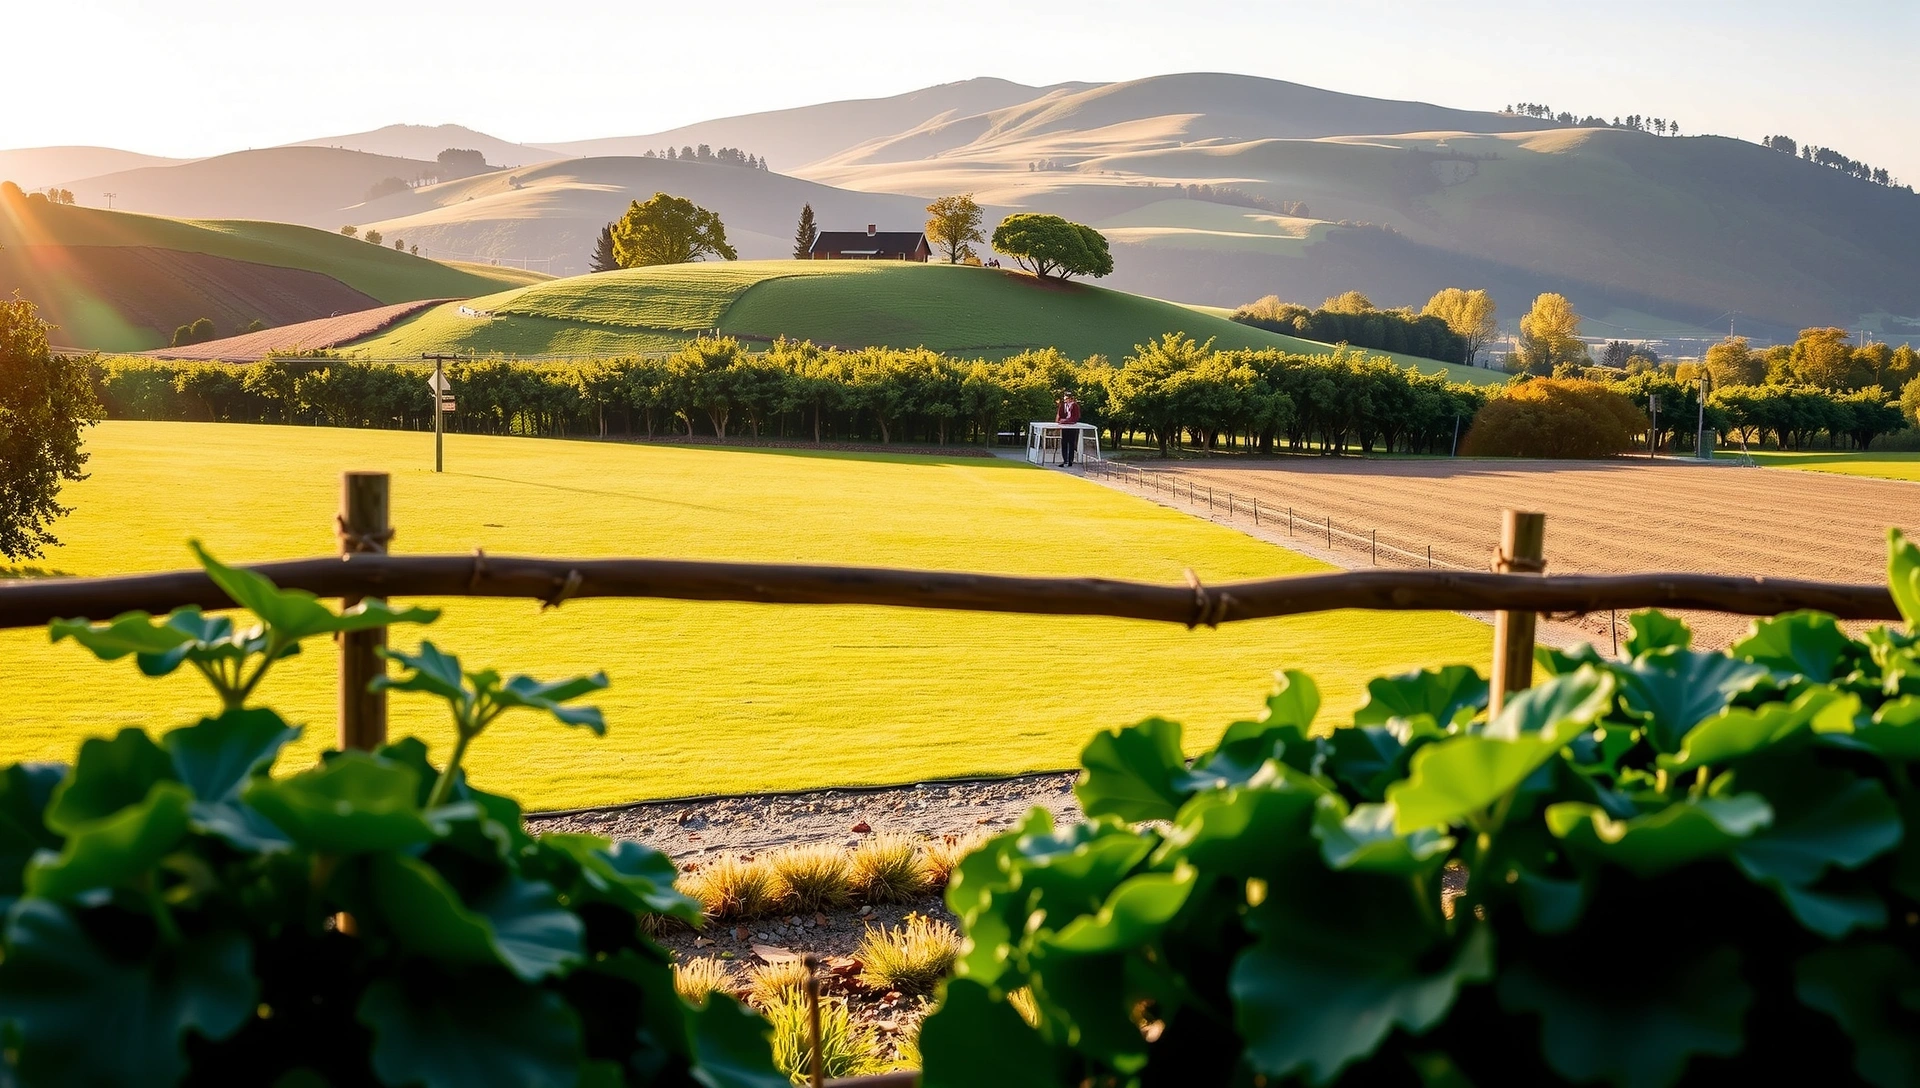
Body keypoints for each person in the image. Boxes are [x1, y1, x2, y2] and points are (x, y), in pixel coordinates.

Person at [1055, 391, 1081, 468]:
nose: (1065, 399)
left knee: (1071, 443)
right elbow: (1059, 415)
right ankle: (1065, 460)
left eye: (1067, 398)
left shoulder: (1074, 406)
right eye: (1065, 398)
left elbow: (1075, 417)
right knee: (1064, 443)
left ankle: (1070, 460)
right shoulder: (1063, 406)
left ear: (1070, 398)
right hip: (1064, 427)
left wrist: (1066, 421)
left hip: (1072, 427)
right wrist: (1060, 421)